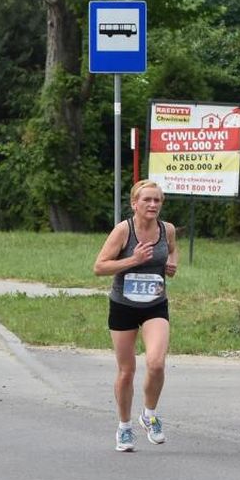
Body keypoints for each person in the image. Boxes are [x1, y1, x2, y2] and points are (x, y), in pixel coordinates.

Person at [94, 180, 178, 452]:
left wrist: (172, 263)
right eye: (147, 200)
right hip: (123, 305)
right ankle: (124, 427)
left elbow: (172, 249)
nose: (153, 205)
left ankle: (149, 414)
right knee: (126, 370)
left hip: (155, 304)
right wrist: (133, 260)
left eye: (157, 200)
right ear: (134, 204)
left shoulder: (167, 229)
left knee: (156, 363)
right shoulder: (123, 231)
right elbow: (100, 267)